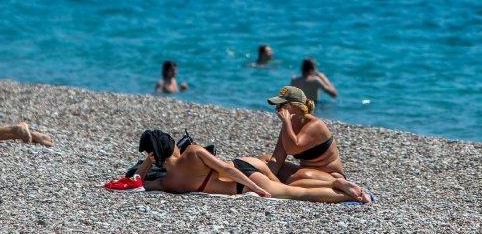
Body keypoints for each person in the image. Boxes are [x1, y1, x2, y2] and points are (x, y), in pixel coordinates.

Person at [135, 129, 368, 203]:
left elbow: (137, 181)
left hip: (241, 184)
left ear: (153, 155)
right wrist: (255, 187)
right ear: (172, 145)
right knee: (292, 187)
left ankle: (346, 193)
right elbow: (227, 169)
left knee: (297, 192)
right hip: (243, 169)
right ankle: (339, 184)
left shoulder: (166, 183)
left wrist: (149, 160)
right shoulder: (194, 152)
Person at [265, 85, 347, 185]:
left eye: (281, 105)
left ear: (296, 106)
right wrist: (266, 176)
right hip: (307, 171)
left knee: (296, 177)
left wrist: (286, 122)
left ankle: (340, 185)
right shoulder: (290, 124)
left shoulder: (315, 125)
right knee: (264, 161)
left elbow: (292, 148)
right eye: (277, 105)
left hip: (330, 175)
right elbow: (277, 158)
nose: (277, 108)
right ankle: (277, 186)